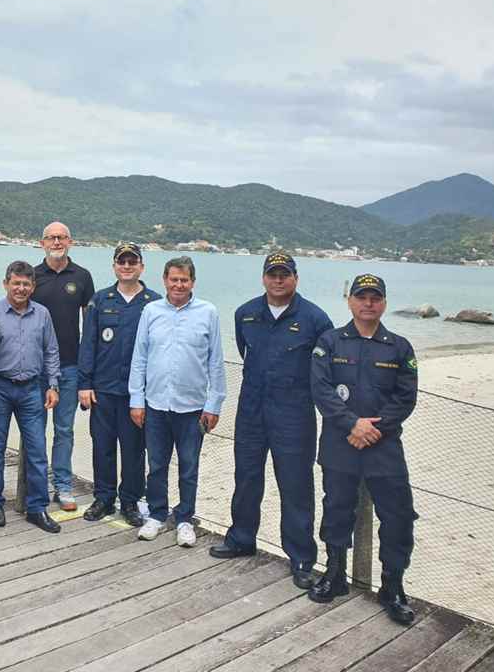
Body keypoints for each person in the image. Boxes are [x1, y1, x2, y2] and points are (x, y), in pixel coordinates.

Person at [210, 253, 333, 589]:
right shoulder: (245, 314)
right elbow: (244, 352)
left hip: (294, 416)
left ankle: (302, 558)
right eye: (272, 274)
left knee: (295, 486)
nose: (278, 280)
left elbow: (325, 372)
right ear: (263, 278)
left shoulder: (315, 319)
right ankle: (241, 538)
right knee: (246, 477)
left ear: (295, 278)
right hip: (251, 411)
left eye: (285, 274)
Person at [308, 274, 418, 625]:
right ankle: (335, 574)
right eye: (361, 297)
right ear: (350, 301)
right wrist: (352, 425)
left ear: (383, 302)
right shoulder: (329, 342)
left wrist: (373, 429)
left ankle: (393, 587)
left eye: (375, 297)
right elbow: (321, 390)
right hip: (340, 444)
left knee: (399, 517)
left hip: (383, 447)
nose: (368, 303)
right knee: (337, 509)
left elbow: (406, 397)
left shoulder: (400, 347)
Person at [129, 256, 226, 546]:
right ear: (165, 280)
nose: (179, 285)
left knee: (189, 466)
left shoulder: (208, 312)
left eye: (184, 280)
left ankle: (185, 519)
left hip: (193, 407)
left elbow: (216, 363)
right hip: (156, 404)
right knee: (156, 464)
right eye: (174, 279)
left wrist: (214, 404)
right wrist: (137, 399)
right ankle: (157, 515)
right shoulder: (151, 311)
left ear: (192, 282)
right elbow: (139, 358)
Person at [77, 243, 160, 527]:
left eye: (132, 261)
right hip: (102, 390)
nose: (127, 266)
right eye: (121, 261)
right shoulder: (100, 300)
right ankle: (103, 498)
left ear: (141, 266)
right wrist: (84, 384)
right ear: (114, 266)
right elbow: (87, 344)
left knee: (134, 450)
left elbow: (160, 350)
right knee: (102, 447)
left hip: (137, 394)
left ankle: (130, 501)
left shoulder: (154, 302)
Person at [0, 261, 62, 533]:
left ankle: (37, 508)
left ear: (33, 286)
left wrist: (53, 385)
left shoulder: (42, 314)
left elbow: (51, 351)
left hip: (32, 389)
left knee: (37, 451)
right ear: (6, 283)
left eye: (26, 284)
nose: (20, 288)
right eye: (15, 283)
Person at [32, 221, 95, 511]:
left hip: (70, 367)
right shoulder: (32, 276)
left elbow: (90, 327)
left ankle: (63, 486)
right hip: (37, 369)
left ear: (70, 241)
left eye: (61, 238)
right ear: (42, 243)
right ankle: (35, 486)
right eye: (51, 238)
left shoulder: (82, 277)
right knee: (34, 430)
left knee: (64, 430)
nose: (56, 242)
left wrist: (87, 372)